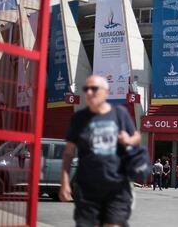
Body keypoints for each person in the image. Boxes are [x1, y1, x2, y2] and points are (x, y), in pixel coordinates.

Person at [59, 75, 141, 227]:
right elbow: (68, 153)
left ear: (106, 92)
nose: (89, 92)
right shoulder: (78, 118)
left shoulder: (120, 114)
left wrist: (128, 140)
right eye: (86, 89)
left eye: (94, 89)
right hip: (87, 189)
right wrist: (64, 182)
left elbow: (136, 137)